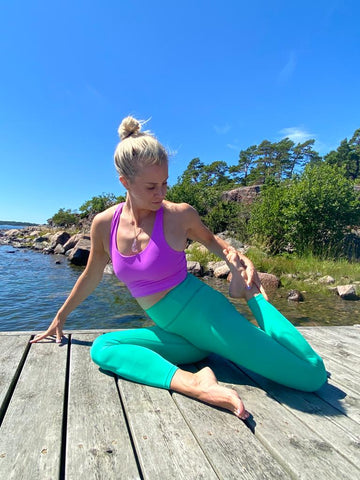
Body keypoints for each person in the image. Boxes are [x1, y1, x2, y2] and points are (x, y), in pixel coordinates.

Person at [31, 116, 327, 420]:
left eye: (164, 183)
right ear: (125, 182)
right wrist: (59, 318)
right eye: (151, 186)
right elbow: (92, 274)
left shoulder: (178, 215)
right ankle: (195, 383)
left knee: (312, 376)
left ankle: (254, 298)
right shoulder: (105, 224)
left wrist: (240, 263)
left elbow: (215, 243)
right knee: (104, 348)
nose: (161, 194)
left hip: (208, 318)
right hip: (183, 339)